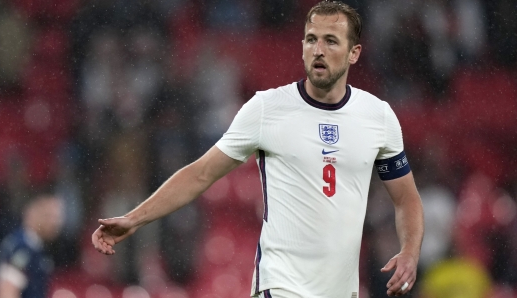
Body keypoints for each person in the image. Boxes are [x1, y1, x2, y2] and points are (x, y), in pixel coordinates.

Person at [92, 1, 424, 297]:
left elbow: (406, 198)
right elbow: (201, 173)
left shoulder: (377, 117)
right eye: (311, 39)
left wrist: (409, 250)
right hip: (279, 288)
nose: (318, 50)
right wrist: (135, 219)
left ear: (354, 53)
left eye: (331, 41)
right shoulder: (268, 108)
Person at [0, 193, 63, 298]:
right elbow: (7, 292)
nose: (55, 223)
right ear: (32, 213)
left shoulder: (35, 247)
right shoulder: (21, 248)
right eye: (48, 215)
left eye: (57, 217)